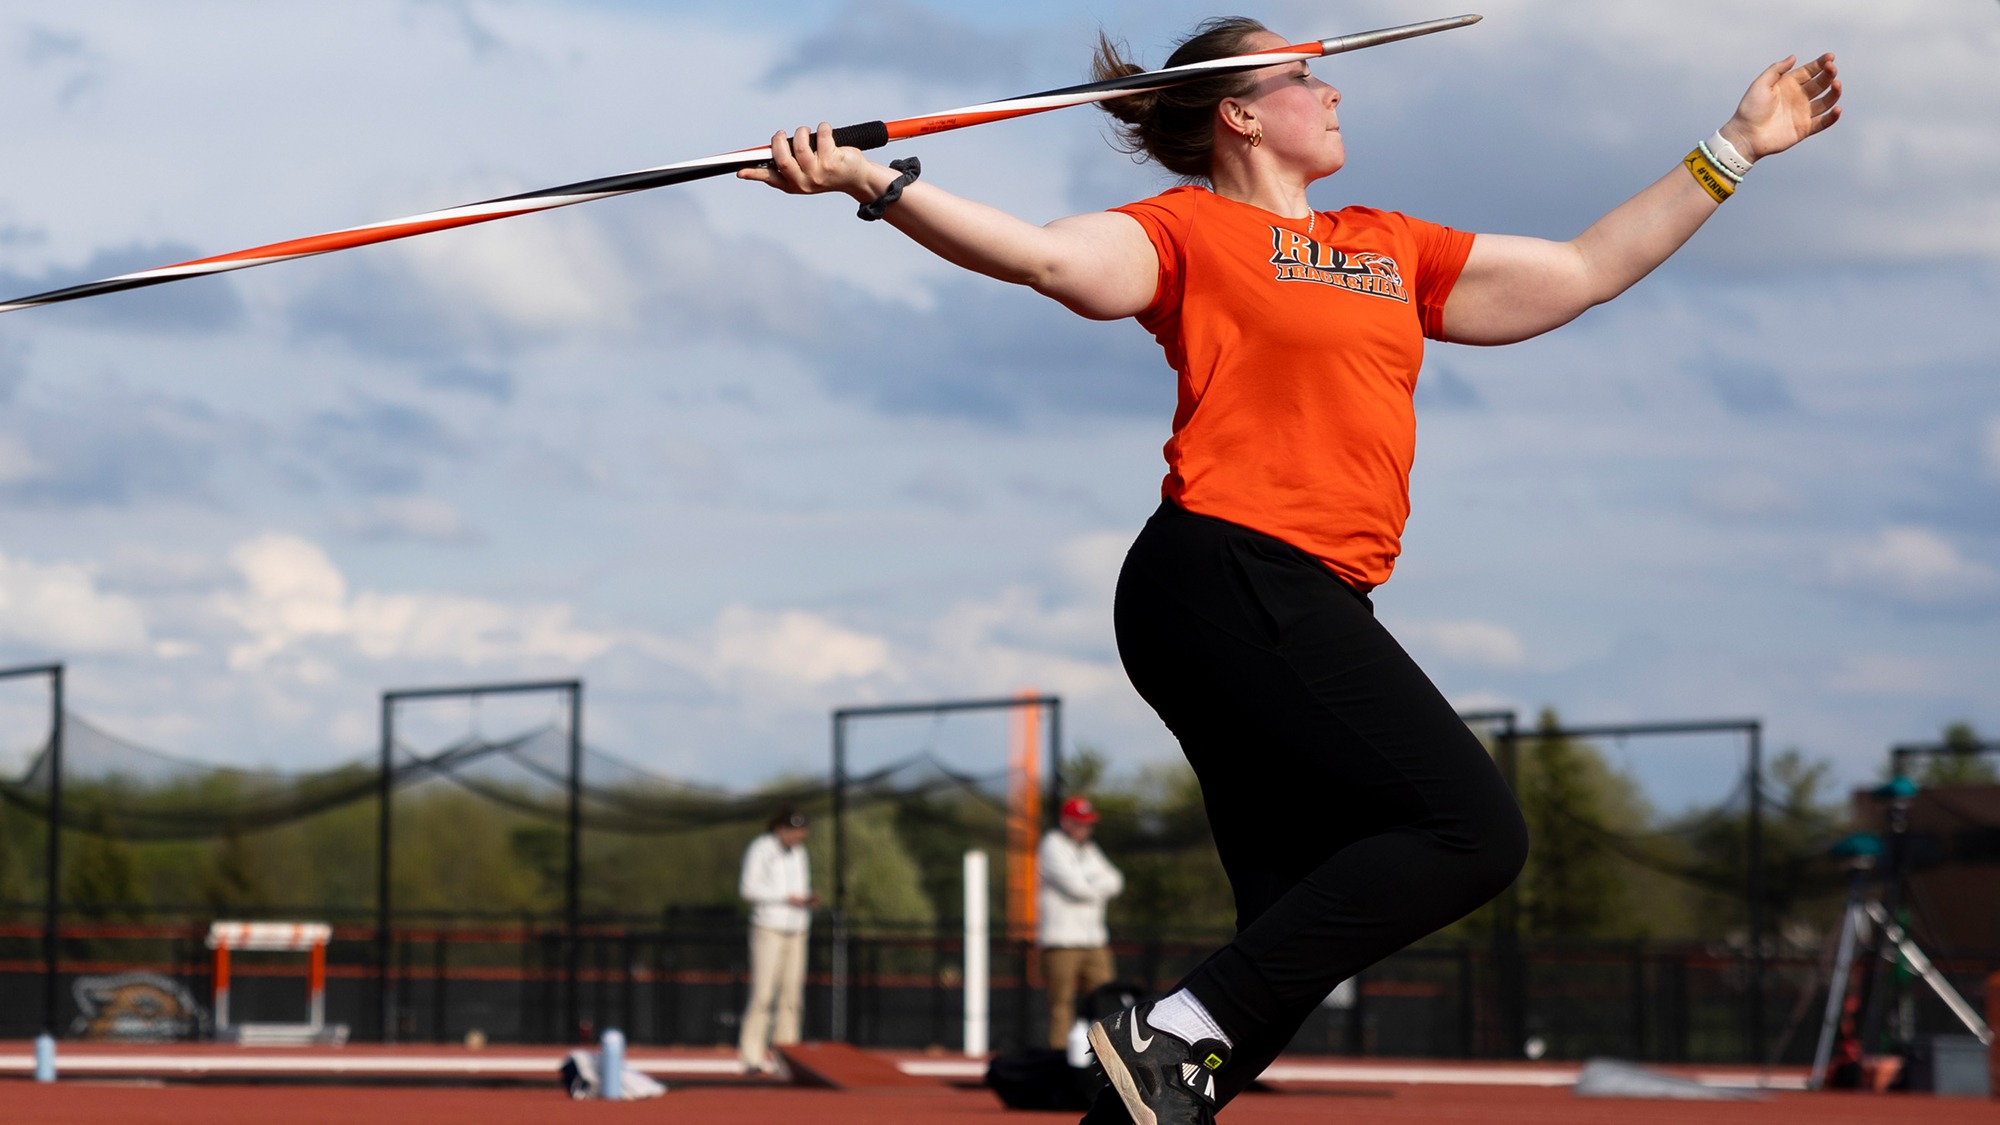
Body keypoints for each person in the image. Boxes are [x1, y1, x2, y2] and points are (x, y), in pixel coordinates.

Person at [743, 18, 1839, 1124]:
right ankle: (1175, 1025)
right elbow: (1041, 256)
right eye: (1302, 77)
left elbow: (1581, 270)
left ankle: (1149, 1085)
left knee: (1284, 938)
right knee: (1471, 833)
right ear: (1238, 110)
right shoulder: (1185, 232)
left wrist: (1733, 149)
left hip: (1295, 594)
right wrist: (868, 183)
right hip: (1225, 573)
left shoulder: (1390, 247)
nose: (1331, 94)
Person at [1038, 796, 1125, 1050]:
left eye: (1088, 824)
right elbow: (1077, 888)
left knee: (1107, 1001)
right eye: (1079, 823)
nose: (1085, 829)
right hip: (1061, 941)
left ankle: (1105, 1056)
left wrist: (1090, 884)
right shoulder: (1052, 845)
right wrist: (1097, 885)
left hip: (1094, 940)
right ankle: (1059, 1057)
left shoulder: (1090, 850)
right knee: (1061, 1004)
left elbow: (1117, 880)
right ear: (1065, 822)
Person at [737, 805, 816, 1073]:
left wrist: (804, 900)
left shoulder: (800, 853)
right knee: (763, 993)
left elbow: (800, 886)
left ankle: (788, 1058)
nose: (796, 837)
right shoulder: (761, 849)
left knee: (792, 996)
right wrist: (784, 898)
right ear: (780, 829)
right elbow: (748, 889)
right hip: (768, 928)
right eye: (792, 830)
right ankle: (751, 1057)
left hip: (797, 929)